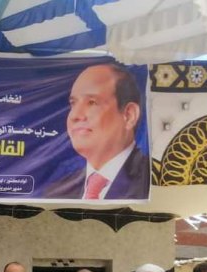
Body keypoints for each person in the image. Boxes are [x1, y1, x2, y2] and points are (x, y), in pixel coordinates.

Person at [43, 63, 149, 201]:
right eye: (73, 103)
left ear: (129, 115)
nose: (75, 115)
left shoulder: (152, 181)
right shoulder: (57, 194)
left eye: (92, 102)